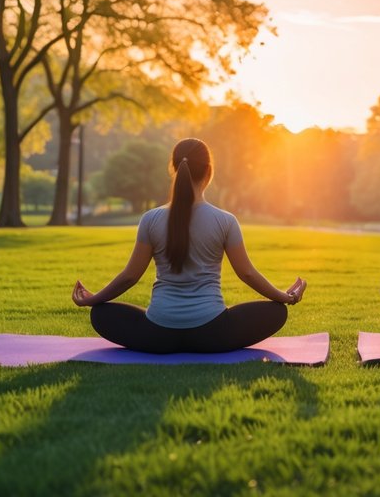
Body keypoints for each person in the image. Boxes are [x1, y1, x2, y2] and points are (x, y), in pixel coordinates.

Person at [72, 138, 305, 353]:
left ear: (172, 169)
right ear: (209, 171)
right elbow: (246, 273)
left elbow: (130, 276)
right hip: (212, 334)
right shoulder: (225, 221)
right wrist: (284, 297)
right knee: (276, 312)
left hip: (158, 335)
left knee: (100, 314)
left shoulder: (150, 219)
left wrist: (94, 300)